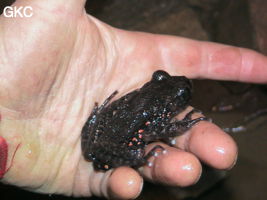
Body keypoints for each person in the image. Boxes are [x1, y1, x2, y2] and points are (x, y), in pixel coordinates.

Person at [0, 0, 266, 199]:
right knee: (139, 151)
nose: (164, 78)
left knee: (148, 153)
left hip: (105, 134)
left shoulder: (146, 97)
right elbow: (164, 128)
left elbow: (155, 126)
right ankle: (136, 156)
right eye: (160, 77)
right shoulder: (158, 110)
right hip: (115, 143)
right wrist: (183, 125)